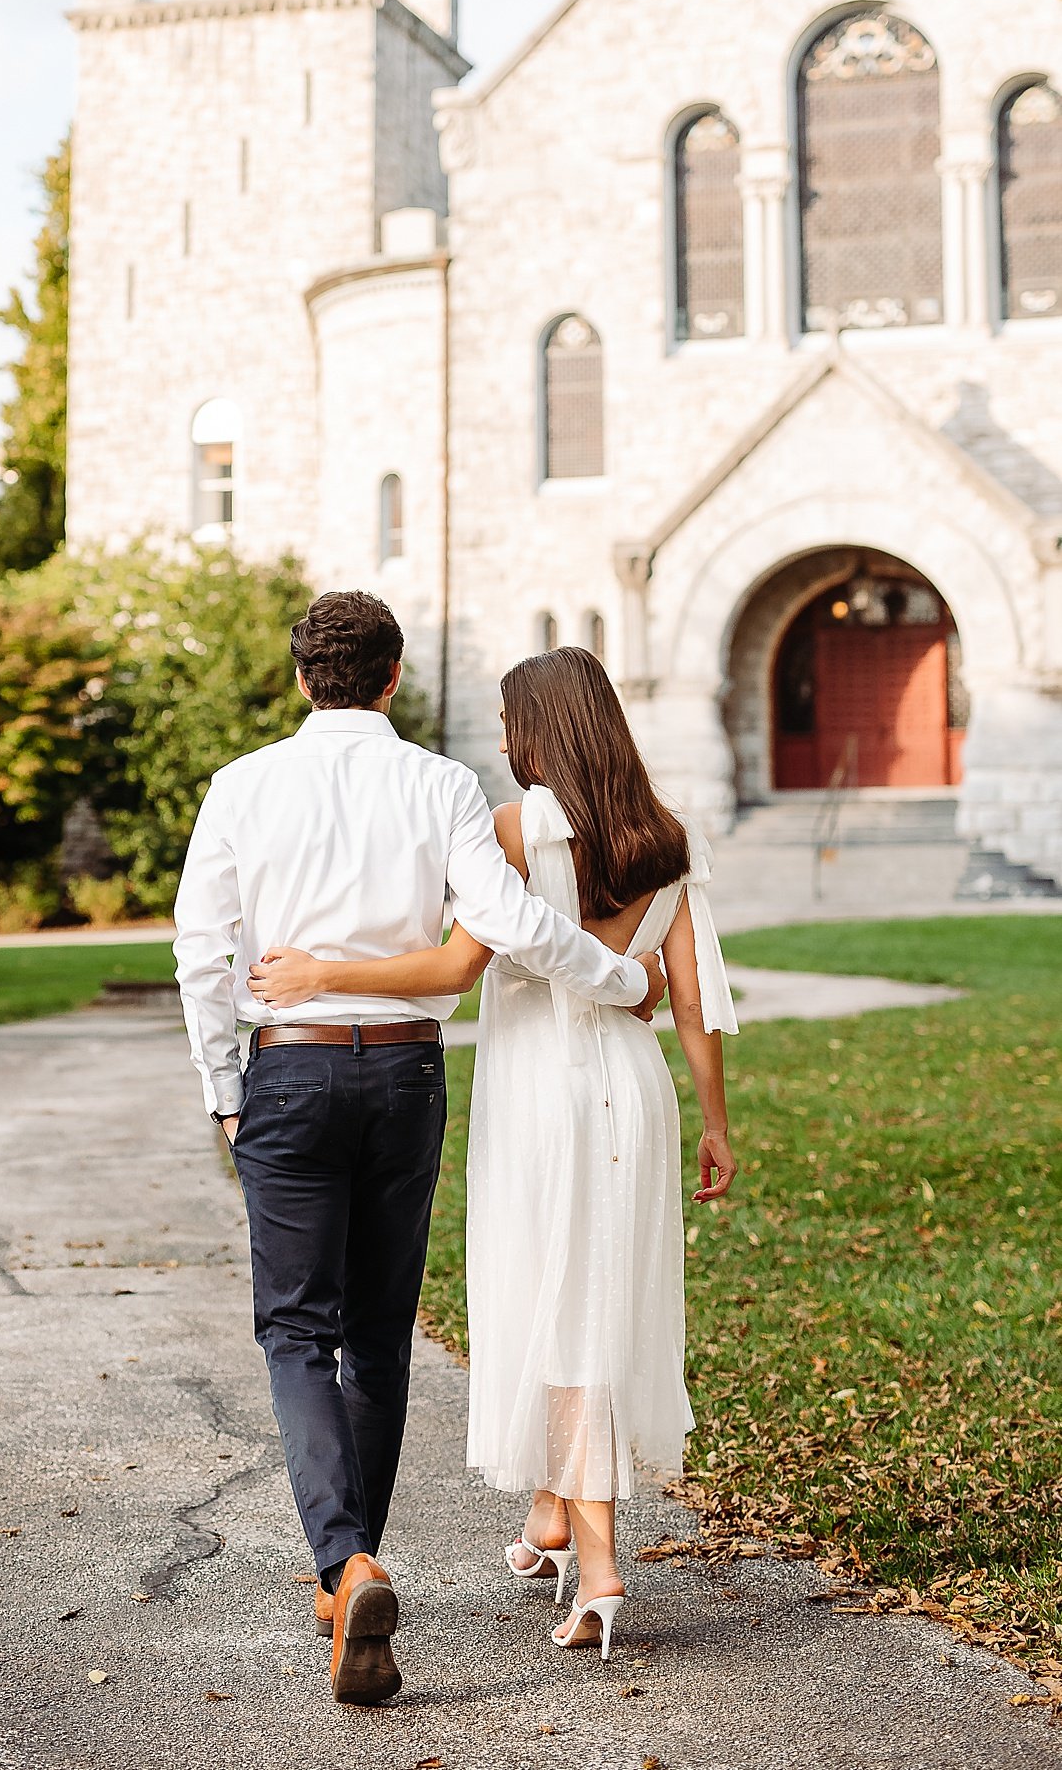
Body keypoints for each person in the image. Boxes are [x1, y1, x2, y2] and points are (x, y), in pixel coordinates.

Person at [173, 594, 666, 1705]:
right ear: (394, 678)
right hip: (403, 1074)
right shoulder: (442, 785)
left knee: (298, 1328)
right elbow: (513, 925)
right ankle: (347, 1569)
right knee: (379, 1331)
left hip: (289, 1070)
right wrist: (628, 979)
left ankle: (346, 1563)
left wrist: (223, 1088)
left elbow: (202, 948)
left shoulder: (241, 786)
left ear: (304, 678)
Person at [249, 645, 737, 1664]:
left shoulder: (514, 832)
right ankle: (552, 1518)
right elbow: (691, 1001)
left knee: (560, 1314)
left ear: (539, 733)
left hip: (539, 1096)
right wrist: (717, 1124)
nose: (505, 741)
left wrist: (320, 974)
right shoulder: (670, 839)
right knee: (594, 1291)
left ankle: (597, 1565)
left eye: (513, 722)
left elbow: (451, 966)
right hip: (635, 1092)